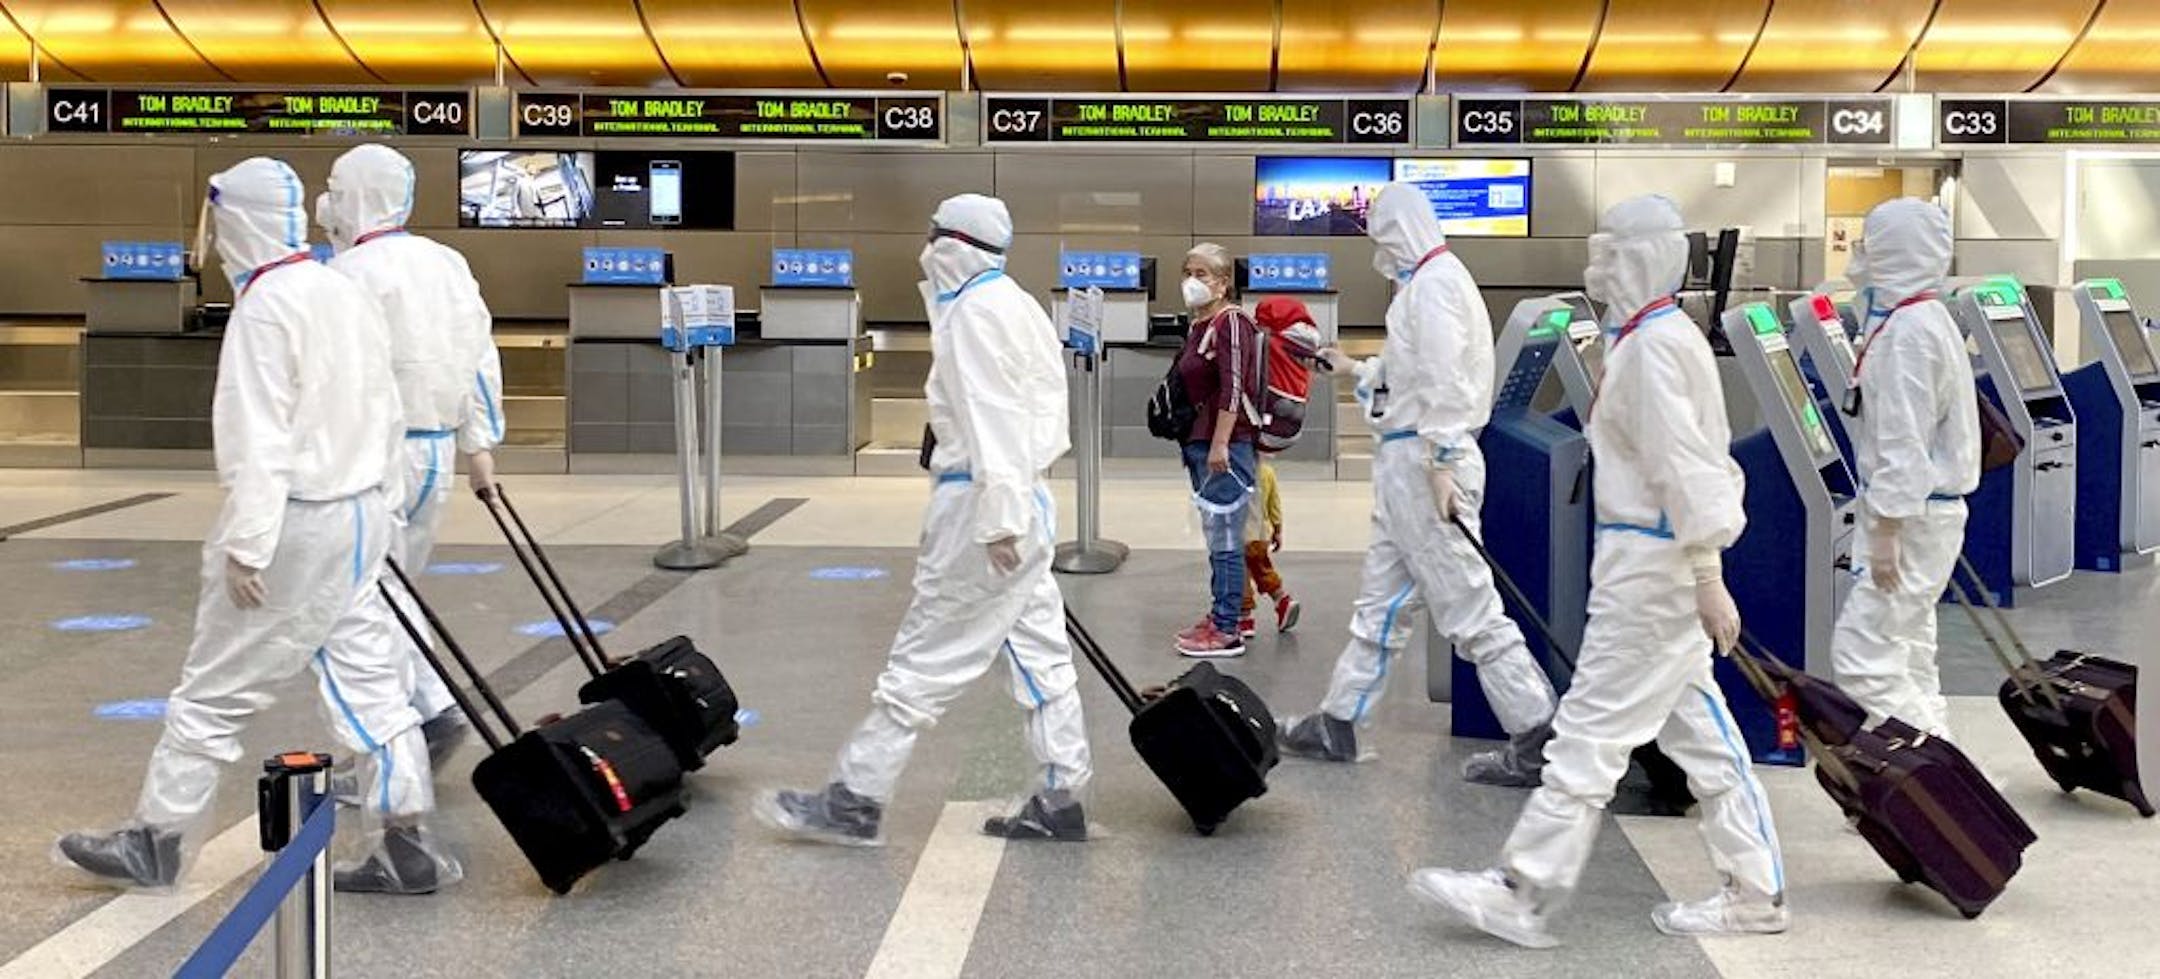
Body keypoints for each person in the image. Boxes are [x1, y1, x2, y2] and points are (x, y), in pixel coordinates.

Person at [56, 158, 456, 894]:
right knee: (372, 684)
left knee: (213, 687)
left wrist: (246, 544)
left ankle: (159, 836)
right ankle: (406, 842)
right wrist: (388, 506)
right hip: (365, 516)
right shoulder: (342, 287)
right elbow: (389, 408)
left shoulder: (267, 306)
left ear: (233, 222)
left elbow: (259, 441)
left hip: (297, 524)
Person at [1408, 195, 1787, 946]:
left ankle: (1524, 889)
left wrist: (1706, 571)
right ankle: (1755, 891)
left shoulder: (1651, 349)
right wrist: (1703, 575)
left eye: (1610, 251)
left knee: (1588, 732)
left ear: (1645, 258)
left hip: (1652, 570)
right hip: (1658, 564)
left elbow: (1688, 467)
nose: (1596, 264)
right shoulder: (1658, 335)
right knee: (1706, 738)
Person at [753, 194, 1092, 845]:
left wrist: (998, 520)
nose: (924, 250)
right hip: (1026, 498)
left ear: (951, 246)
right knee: (1041, 657)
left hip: (984, 506)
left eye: (933, 237)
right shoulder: (1017, 303)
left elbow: (995, 418)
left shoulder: (973, 312)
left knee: (925, 654)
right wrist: (1016, 511)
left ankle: (857, 796)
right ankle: (1063, 795)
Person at [1274, 183, 1558, 787]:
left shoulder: (1433, 288)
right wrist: (1352, 367)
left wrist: (1442, 464)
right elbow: (1410, 374)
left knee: (1470, 608)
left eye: (1382, 238)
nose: (1380, 252)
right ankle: (1341, 721)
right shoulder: (1431, 284)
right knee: (1381, 606)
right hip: (1409, 468)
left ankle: (1537, 735)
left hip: (1427, 467)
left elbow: (1446, 384)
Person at [316, 143, 505, 776]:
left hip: (373, 458)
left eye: (336, 190)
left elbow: (328, 379)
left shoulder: (347, 275)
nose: (329, 203)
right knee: (396, 589)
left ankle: (402, 734)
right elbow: (479, 355)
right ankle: (427, 710)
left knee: (362, 600)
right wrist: (479, 445)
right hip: (434, 454)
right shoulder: (445, 261)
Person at [1829, 198, 1978, 737]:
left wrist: (1886, 529)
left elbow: (1901, 440)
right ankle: (1935, 773)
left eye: (1870, 243)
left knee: (1862, 656)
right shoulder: (1924, 315)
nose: (1858, 254)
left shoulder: (1906, 333)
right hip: (1929, 514)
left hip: (1912, 519)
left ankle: (1931, 767)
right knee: (1911, 650)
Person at [1173, 243, 1263, 657]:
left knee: (1226, 537)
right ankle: (1222, 613)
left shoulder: (1231, 323)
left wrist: (1221, 442)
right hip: (1199, 443)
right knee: (1216, 536)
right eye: (1188, 271)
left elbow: (1234, 385)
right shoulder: (1199, 325)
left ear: (1224, 283)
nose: (1192, 281)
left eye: (1203, 274)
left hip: (1223, 447)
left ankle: (1227, 628)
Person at [1237, 298, 1321, 640]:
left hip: (1250, 435)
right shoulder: (1302, 346)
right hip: (1278, 431)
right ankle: (1258, 608)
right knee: (1246, 547)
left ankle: (1264, 604)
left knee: (1242, 548)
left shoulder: (1264, 343)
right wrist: (1279, 525)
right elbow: (1273, 496)